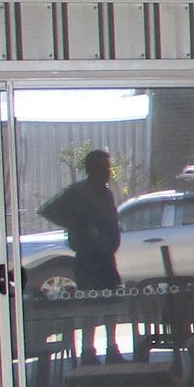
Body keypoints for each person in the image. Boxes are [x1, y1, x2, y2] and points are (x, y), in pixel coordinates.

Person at [39, 149, 123, 364]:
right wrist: (78, 226)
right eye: (103, 168)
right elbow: (48, 210)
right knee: (91, 305)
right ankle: (88, 351)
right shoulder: (78, 192)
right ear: (92, 169)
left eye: (108, 168)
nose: (107, 172)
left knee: (111, 302)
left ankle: (112, 348)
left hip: (106, 256)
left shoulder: (106, 193)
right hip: (88, 257)